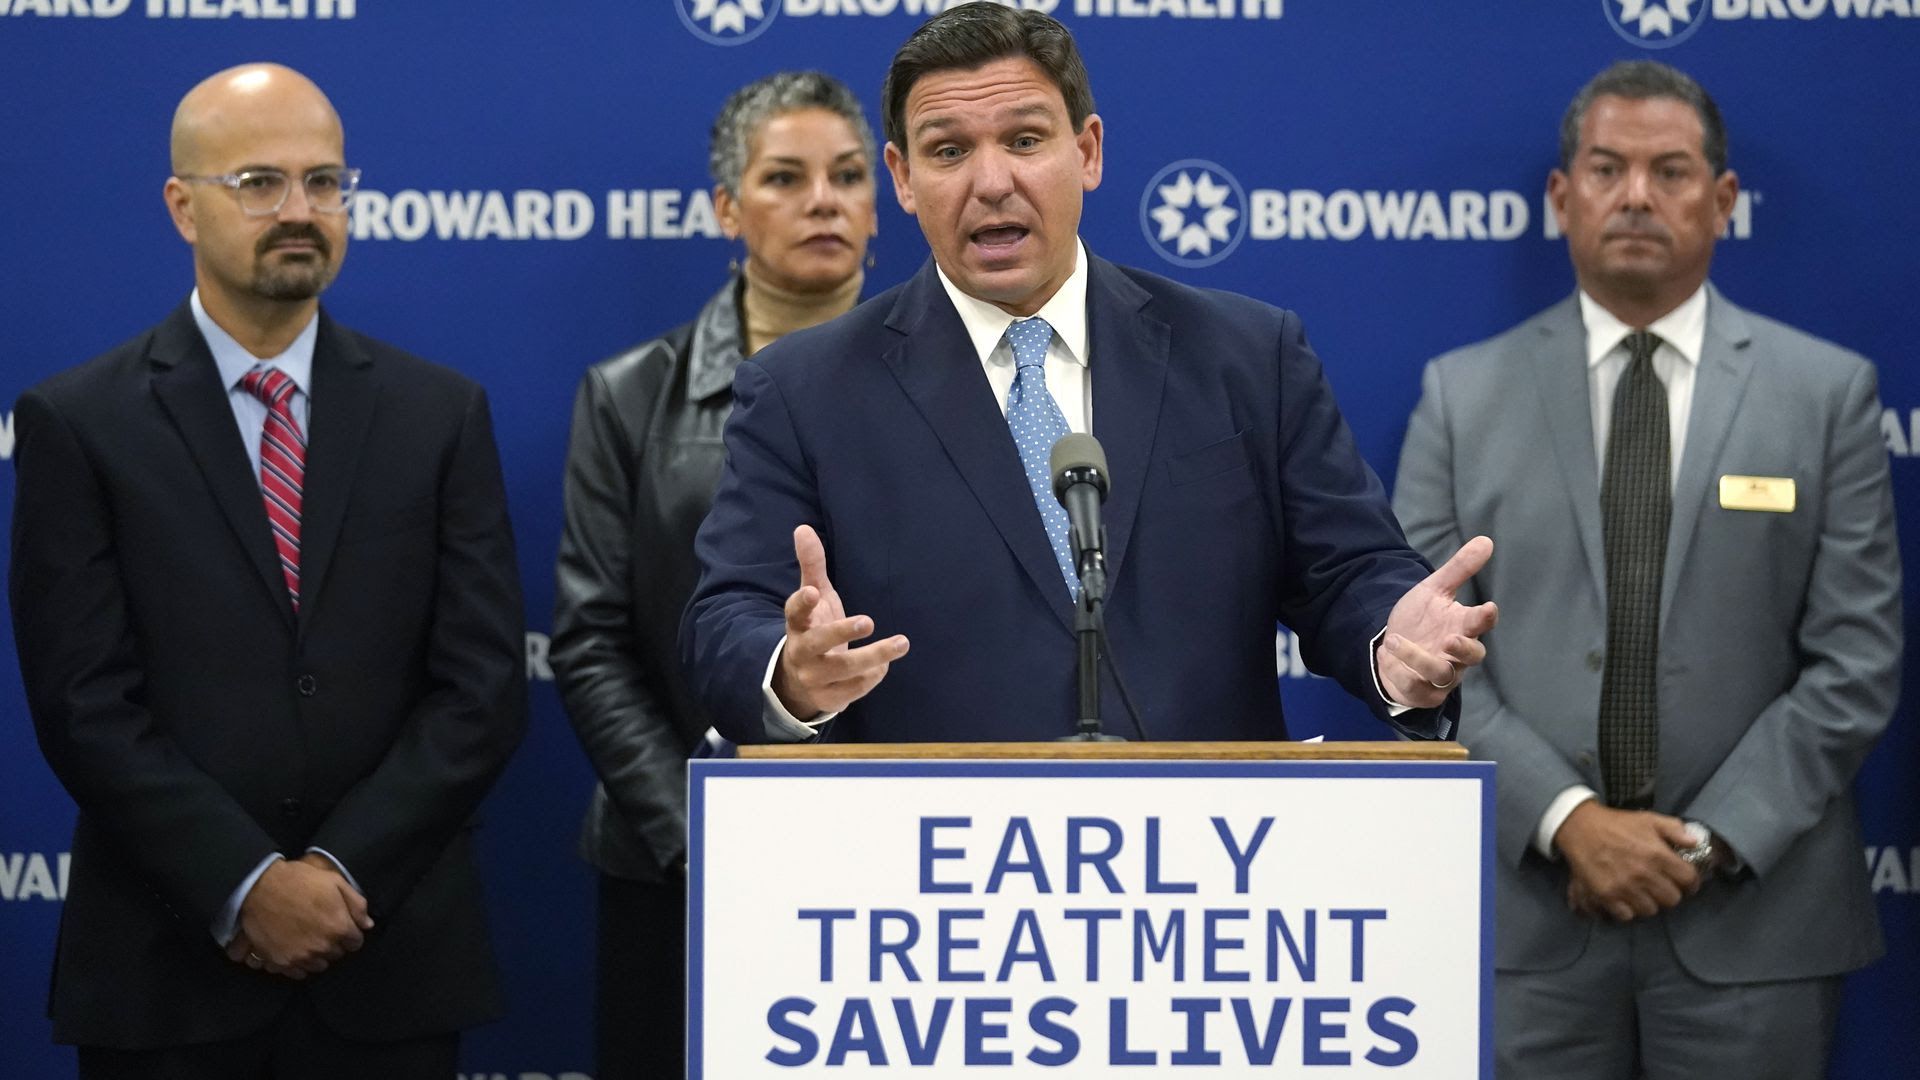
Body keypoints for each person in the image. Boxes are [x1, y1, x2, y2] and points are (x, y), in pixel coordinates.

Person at [681, 6, 1496, 746]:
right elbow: (726, 620)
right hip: (934, 849)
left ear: (1088, 151)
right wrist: (791, 671)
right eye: (949, 151)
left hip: (1207, 845)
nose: (991, 182)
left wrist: (1394, 642)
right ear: (902, 178)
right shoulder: (804, 391)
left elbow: (1349, 572)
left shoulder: (1248, 355)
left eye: (1024, 141)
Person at [8, 63, 526, 1077]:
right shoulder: (80, 421)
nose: (299, 210)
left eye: (324, 181)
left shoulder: (440, 414)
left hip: (388, 961)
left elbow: (482, 686)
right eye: (259, 183)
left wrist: (336, 872)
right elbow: (83, 704)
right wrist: (246, 884)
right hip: (168, 975)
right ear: (182, 207)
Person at [1392, 60, 1899, 1078]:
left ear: (1723, 200)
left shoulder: (1827, 395)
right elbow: (1420, 659)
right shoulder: (1460, 396)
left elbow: (1856, 662)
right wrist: (1570, 821)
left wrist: (1702, 844)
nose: (1635, 195)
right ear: (1561, 196)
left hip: (1755, 923)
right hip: (1527, 923)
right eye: (1606, 168)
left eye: (1670, 172)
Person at [549, 70, 878, 1080]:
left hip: (899, 858)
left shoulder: (965, 384)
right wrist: (704, 837)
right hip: (679, 865)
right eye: (785, 178)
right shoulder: (628, 396)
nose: (823, 201)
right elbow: (592, 644)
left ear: (883, 200)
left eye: (849, 176)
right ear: (728, 210)